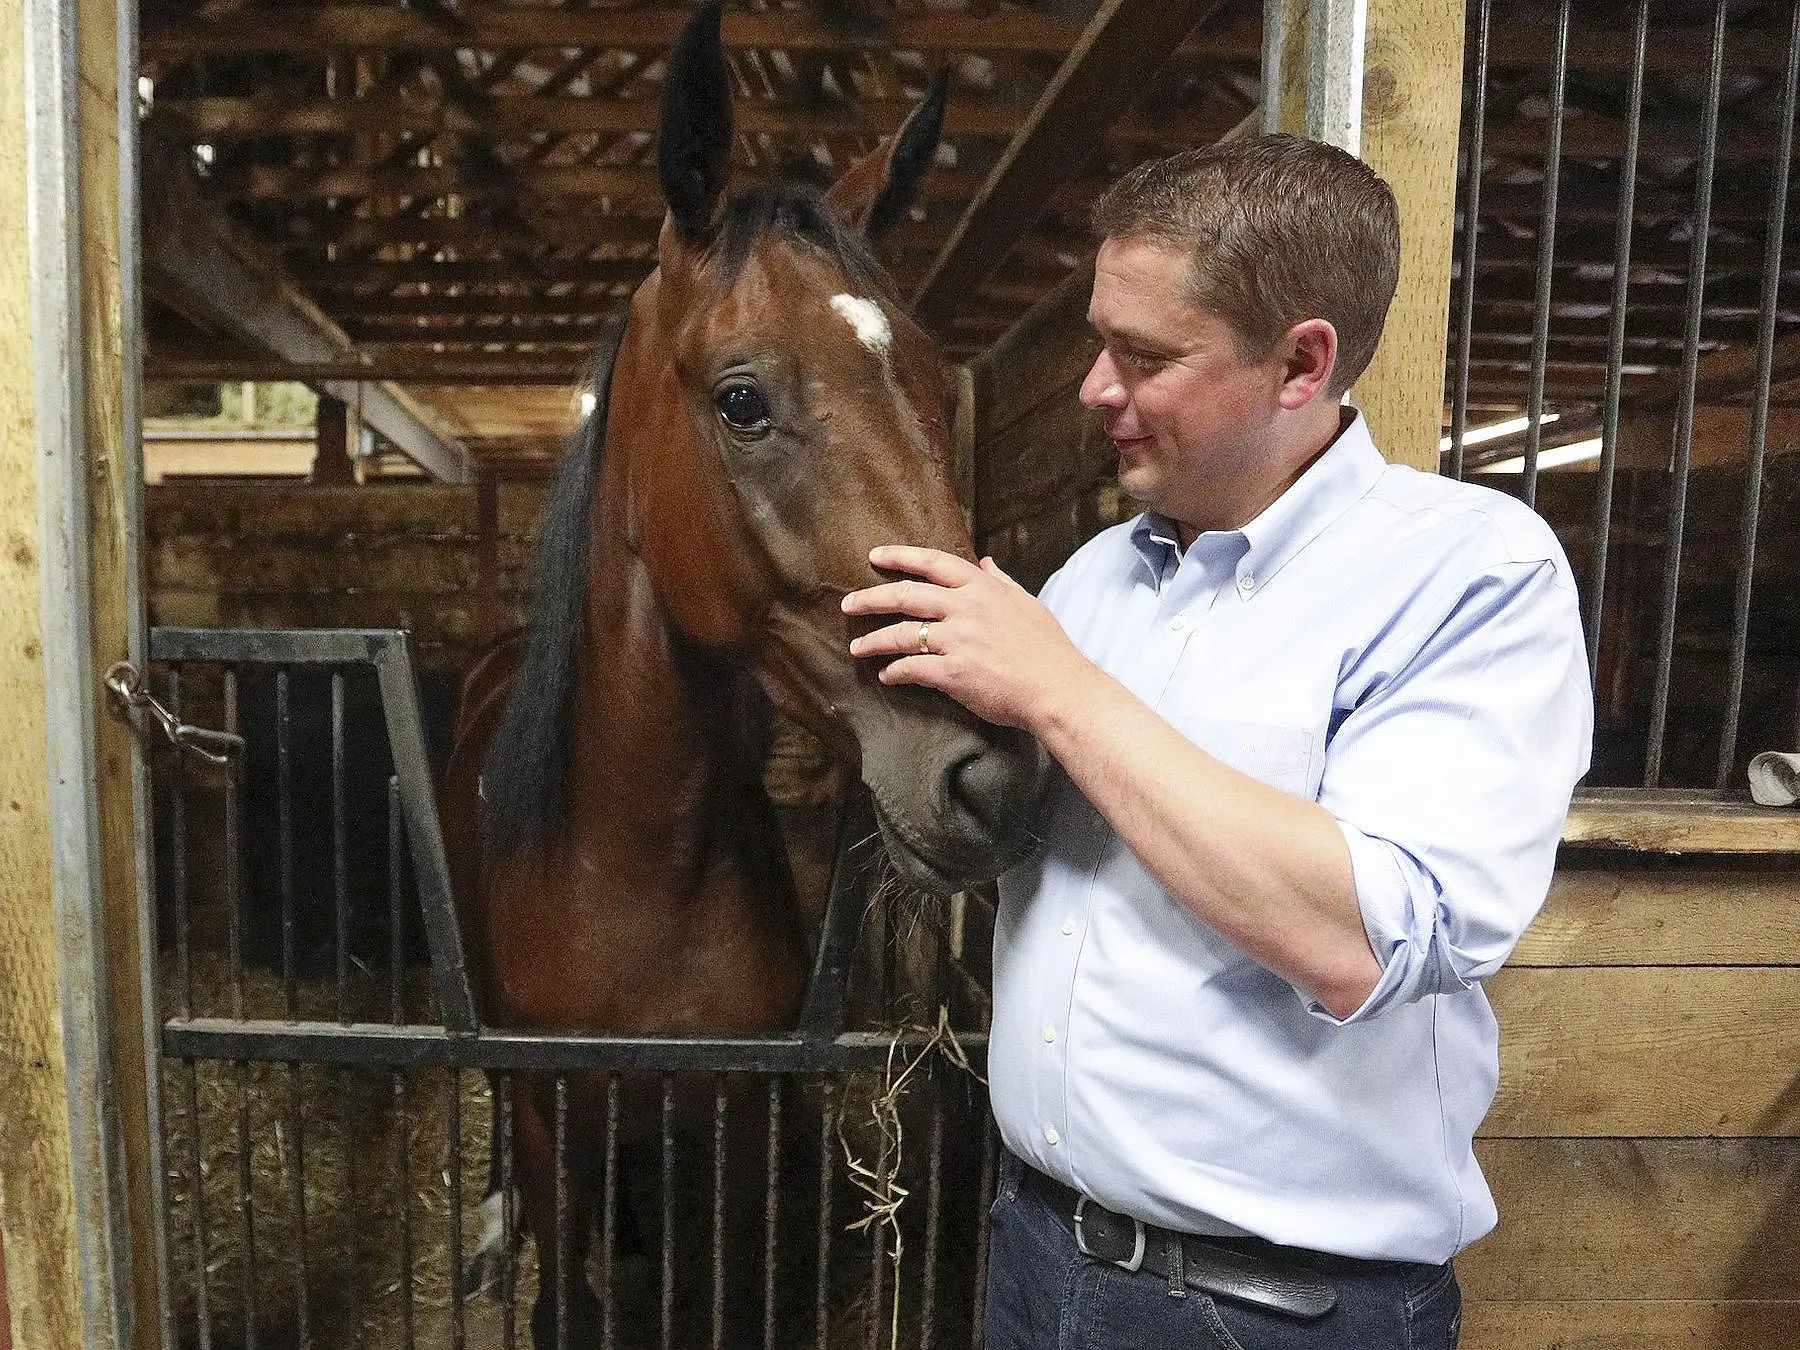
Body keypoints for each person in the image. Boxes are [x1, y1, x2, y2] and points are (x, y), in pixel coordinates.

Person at [840, 133, 1592, 1349]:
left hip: (1267, 1310)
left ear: (1301, 363)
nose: (1093, 387)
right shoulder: (1094, 582)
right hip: (1038, 1253)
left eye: (1144, 357)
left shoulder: (1467, 573)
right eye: (1100, 343)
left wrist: (1060, 692)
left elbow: (1364, 937)